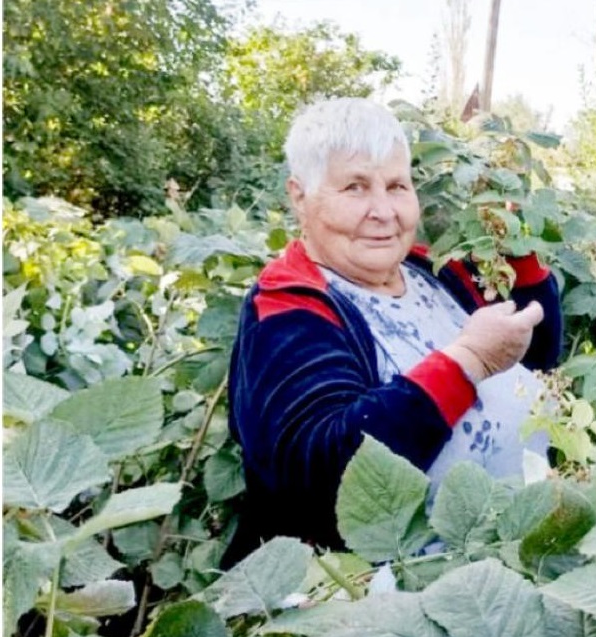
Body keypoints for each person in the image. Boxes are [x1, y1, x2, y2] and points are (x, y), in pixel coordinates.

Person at [223, 98, 562, 567]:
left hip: (513, 563)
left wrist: (518, 245)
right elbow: (322, 472)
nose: (383, 210)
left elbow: (535, 354)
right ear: (300, 196)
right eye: (355, 187)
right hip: (385, 602)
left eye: (397, 185)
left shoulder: (430, 270)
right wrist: (467, 362)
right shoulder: (288, 306)